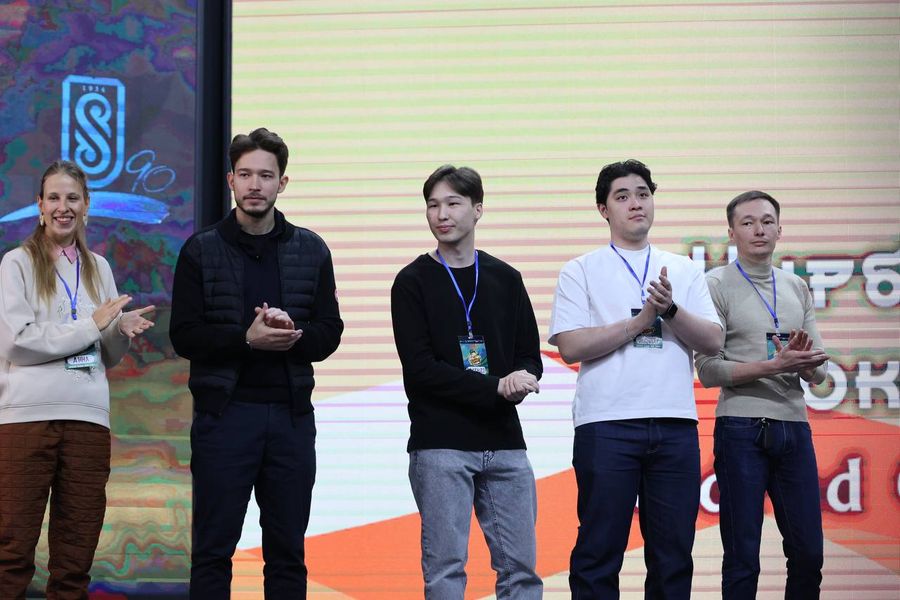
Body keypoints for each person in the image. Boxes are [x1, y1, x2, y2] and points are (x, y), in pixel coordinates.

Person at [169, 128, 343, 599]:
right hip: (224, 418)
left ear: (282, 183)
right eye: (245, 174)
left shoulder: (311, 249)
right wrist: (245, 340)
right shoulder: (200, 249)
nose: (254, 185)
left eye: (266, 175)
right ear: (230, 179)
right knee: (213, 550)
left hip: (290, 418)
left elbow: (330, 331)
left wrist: (293, 335)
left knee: (287, 553)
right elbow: (184, 335)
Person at [548, 159, 723, 599]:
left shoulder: (682, 269)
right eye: (622, 196)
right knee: (599, 550)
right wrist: (641, 321)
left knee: (673, 555)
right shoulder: (581, 269)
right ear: (603, 209)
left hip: (674, 425)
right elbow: (570, 345)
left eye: (643, 194)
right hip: (606, 425)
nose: (635, 204)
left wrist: (670, 311)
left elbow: (714, 341)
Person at [0, 160, 155, 600]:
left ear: (86, 206)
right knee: (12, 551)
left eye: (72, 198)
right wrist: (92, 325)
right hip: (25, 420)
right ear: (39, 205)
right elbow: (17, 342)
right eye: (53, 198)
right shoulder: (16, 263)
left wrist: (118, 330)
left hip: (88, 419)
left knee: (75, 558)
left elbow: (107, 355)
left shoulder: (99, 267)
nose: (62, 207)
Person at [391, 165, 543, 599]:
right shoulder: (412, 282)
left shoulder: (506, 278)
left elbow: (529, 356)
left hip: (506, 444)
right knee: (446, 571)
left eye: (453, 203)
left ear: (477, 209)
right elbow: (420, 369)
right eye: (433, 205)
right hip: (441, 444)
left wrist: (524, 379)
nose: (442, 214)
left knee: (521, 572)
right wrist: (495, 387)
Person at [695, 191, 828, 599]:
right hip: (741, 428)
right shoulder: (714, 284)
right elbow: (708, 370)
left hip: (793, 427)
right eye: (748, 222)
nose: (759, 230)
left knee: (808, 554)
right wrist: (773, 366)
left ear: (780, 230)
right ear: (731, 232)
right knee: (742, 557)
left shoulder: (796, 286)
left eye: (767, 221)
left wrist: (802, 363)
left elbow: (820, 373)